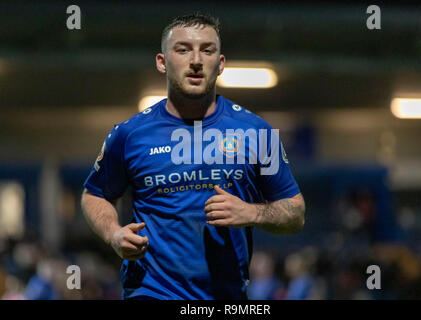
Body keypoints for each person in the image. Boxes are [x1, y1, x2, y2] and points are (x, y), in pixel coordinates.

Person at [81, 13, 306, 300]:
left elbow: (296, 213)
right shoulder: (129, 135)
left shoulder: (257, 131)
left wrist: (251, 212)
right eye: (183, 49)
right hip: (151, 292)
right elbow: (94, 194)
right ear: (162, 62)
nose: (196, 60)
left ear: (220, 63)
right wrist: (113, 233)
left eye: (207, 50)